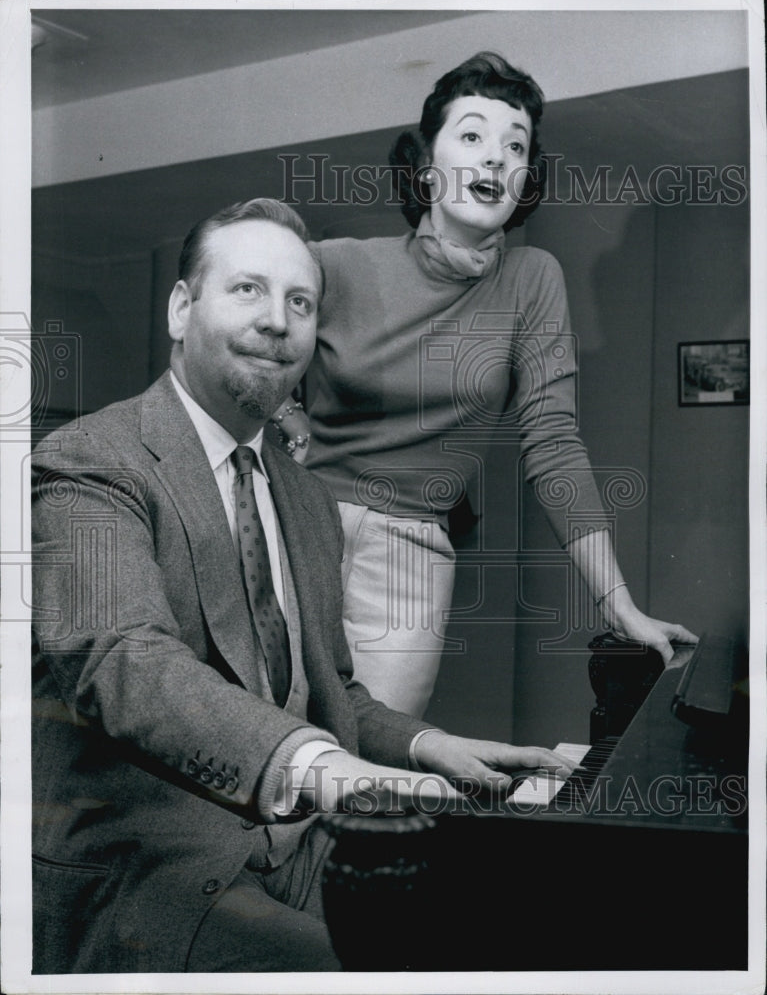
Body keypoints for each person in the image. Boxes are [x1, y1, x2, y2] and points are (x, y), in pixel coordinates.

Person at [31, 198, 579, 975]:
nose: (278, 321)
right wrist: (332, 770)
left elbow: (335, 694)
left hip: (296, 842)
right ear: (182, 308)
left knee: (513, 927)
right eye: (247, 289)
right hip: (146, 872)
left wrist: (433, 746)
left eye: (300, 302)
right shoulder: (90, 459)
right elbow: (120, 662)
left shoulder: (306, 496)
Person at [272, 52, 697, 718]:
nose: (495, 157)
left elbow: (553, 447)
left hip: (410, 553)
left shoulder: (531, 280)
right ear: (424, 163)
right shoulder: (338, 265)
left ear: (526, 176)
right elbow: (236, 346)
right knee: (260, 755)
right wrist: (289, 418)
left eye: (514, 145)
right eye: (471, 135)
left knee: (372, 776)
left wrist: (622, 609)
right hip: (293, 527)